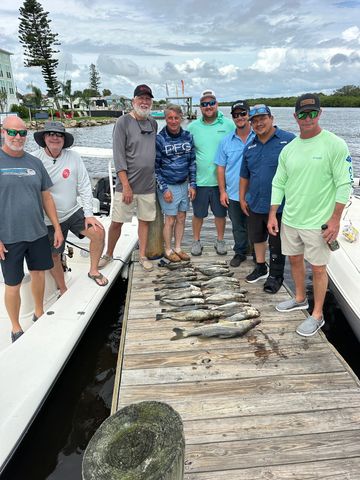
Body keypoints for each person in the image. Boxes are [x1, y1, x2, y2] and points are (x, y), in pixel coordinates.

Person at [268, 93, 353, 336]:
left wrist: (335, 219)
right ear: (295, 117)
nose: (307, 118)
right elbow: (279, 182)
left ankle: (317, 314)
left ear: (320, 113)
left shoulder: (335, 144)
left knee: (318, 268)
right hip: (291, 219)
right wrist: (273, 214)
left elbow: (344, 184)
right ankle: (299, 298)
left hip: (318, 223)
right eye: (302, 114)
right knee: (294, 260)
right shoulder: (290, 149)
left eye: (312, 113)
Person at [0, 116, 63, 342]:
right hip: (8, 237)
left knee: (38, 274)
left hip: (37, 232)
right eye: (12, 132)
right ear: (3, 132)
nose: (18, 137)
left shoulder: (35, 163)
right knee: (12, 283)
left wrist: (56, 227)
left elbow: (46, 197)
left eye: (22, 133)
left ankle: (39, 311)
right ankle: (16, 327)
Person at [32, 121, 108, 293]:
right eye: (50, 134)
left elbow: (84, 185)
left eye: (59, 135)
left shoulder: (73, 157)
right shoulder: (34, 159)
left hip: (72, 212)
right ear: (44, 137)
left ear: (64, 139)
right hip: (48, 219)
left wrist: (89, 214)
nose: (55, 138)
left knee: (98, 233)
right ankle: (63, 287)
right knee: (54, 254)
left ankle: (93, 270)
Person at [99, 84, 158, 272]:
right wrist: (125, 185)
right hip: (127, 186)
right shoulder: (122, 122)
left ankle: (142, 255)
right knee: (117, 222)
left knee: (145, 221)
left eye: (148, 99)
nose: (144, 102)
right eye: (141, 98)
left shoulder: (153, 123)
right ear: (133, 101)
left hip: (148, 185)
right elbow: (119, 156)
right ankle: (108, 253)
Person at [240, 105, 295, 293]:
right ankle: (261, 267)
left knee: (277, 242)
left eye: (262, 118)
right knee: (257, 237)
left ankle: (276, 275)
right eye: (254, 121)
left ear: (272, 118)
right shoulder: (250, 146)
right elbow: (244, 175)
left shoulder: (289, 141)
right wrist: (242, 198)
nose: (258, 123)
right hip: (255, 201)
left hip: (280, 205)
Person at [187, 89, 233, 256]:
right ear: (200, 107)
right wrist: (188, 182)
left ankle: (220, 240)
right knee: (198, 214)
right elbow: (187, 154)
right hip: (199, 181)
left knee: (220, 215)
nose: (208, 106)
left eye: (211, 103)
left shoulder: (228, 124)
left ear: (217, 104)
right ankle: (196, 241)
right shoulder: (192, 127)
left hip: (222, 182)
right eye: (204, 104)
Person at [215, 100, 254, 267]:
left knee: (256, 227)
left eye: (243, 113)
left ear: (249, 114)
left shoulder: (259, 136)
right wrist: (222, 191)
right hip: (233, 192)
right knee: (237, 226)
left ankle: (256, 255)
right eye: (236, 115)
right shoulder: (225, 141)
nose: (239, 117)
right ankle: (240, 252)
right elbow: (220, 168)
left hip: (255, 194)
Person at [155, 104, 196, 262]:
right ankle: (168, 249)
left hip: (184, 183)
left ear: (181, 118)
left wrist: (193, 184)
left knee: (181, 217)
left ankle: (178, 247)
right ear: (165, 119)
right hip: (168, 185)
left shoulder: (188, 136)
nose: (173, 121)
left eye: (176, 118)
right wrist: (164, 189)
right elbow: (155, 167)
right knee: (170, 219)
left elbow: (192, 162)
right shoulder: (159, 139)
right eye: (170, 118)